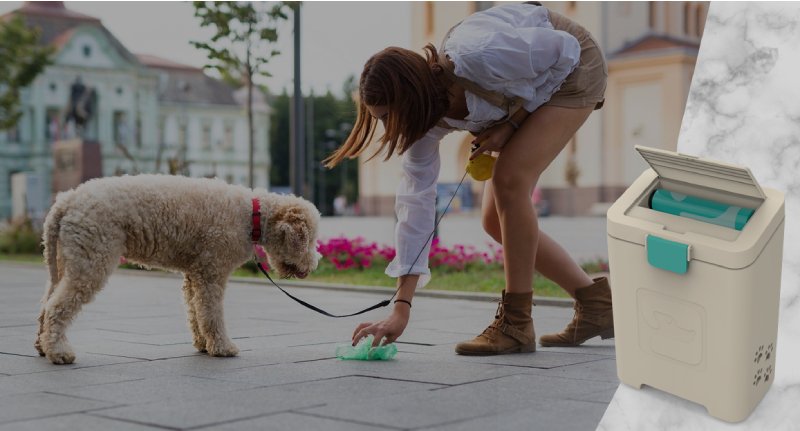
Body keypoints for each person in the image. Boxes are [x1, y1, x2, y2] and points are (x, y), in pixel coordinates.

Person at [324, 2, 613, 355]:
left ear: (410, 98)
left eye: (387, 116)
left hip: (573, 62)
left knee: (509, 180)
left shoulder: (477, 55)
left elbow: (563, 51)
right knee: (494, 221)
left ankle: (516, 324)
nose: (389, 127)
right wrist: (401, 309)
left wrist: (513, 123)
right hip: (537, 80)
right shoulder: (425, 123)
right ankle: (597, 305)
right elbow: (415, 206)